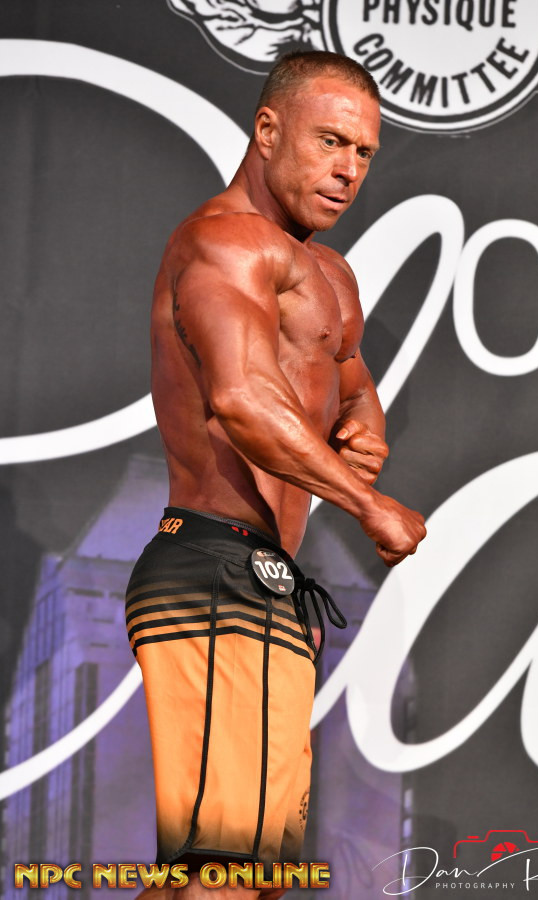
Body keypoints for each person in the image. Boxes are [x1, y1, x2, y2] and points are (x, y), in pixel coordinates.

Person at [127, 50, 426, 899]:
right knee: (223, 874)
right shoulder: (221, 242)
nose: (348, 170)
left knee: (240, 877)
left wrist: (363, 422)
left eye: (363, 152)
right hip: (213, 570)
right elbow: (242, 399)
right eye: (330, 141)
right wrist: (366, 502)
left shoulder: (329, 273)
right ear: (267, 130)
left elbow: (348, 375)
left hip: (267, 582)